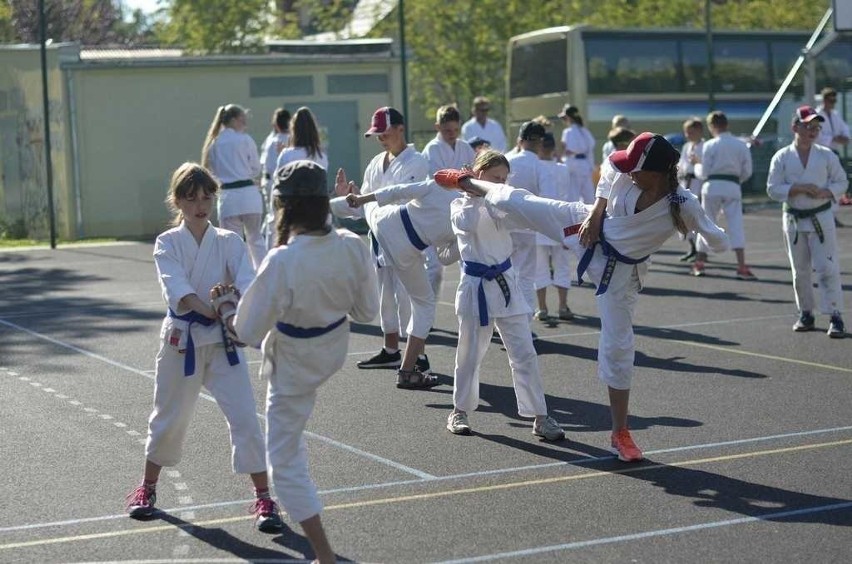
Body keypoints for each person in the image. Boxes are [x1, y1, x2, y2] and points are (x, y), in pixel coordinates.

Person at [434, 132, 728, 460]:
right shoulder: (623, 175)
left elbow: (717, 239)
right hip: (583, 227)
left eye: (636, 169)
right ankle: (460, 409)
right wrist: (596, 212)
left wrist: (703, 235)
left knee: (615, 348)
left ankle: (616, 431)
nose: (629, 172)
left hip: (618, 271)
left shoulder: (682, 204)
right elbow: (608, 177)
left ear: (656, 173)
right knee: (522, 202)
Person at [228, 160, 379, 563]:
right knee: (290, 444)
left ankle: (325, 555)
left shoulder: (282, 260)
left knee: (284, 462)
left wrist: (228, 309)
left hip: (294, 364)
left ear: (285, 207)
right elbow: (366, 312)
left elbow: (244, 330)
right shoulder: (351, 244)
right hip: (333, 347)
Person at [125, 162, 284, 533]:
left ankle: (263, 497)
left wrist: (233, 304)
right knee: (167, 419)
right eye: (192, 197)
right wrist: (214, 308)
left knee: (245, 418)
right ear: (177, 201)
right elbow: (177, 290)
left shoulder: (229, 240)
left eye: (207, 196)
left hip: (223, 344)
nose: (201, 204)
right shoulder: (167, 243)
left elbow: (246, 283)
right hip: (183, 341)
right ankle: (147, 489)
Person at [443, 150, 565, 440]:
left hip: (506, 286)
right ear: (479, 173)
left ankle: (540, 416)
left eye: (503, 179)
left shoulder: (501, 203)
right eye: (495, 178)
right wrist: (472, 189)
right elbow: (468, 224)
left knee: (524, 353)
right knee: (470, 355)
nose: (500, 183)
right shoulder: (459, 205)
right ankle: (459, 410)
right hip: (476, 289)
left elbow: (520, 215)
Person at [334, 172, 462, 389]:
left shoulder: (448, 196)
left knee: (367, 208)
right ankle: (407, 370)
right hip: (401, 241)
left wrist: (361, 199)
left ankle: (407, 369)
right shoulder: (462, 210)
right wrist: (458, 240)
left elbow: (395, 192)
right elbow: (444, 257)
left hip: (392, 230)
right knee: (424, 304)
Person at [348, 107, 431, 373]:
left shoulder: (417, 161)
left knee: (408, 298)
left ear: (400, 129)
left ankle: (417, 355)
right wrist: (351, 198)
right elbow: (365, 203)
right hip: (380, 240)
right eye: (377, 135)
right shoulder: (375, 163)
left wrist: (366, 202)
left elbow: (399, 199)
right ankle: (391, 349)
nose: (381, 139)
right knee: (385, 297)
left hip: (406, 240)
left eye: (385, 133)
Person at [766, 106, 847, 338]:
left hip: (820, 217)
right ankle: (806, 313)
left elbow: (841, 182)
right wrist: (798, 188)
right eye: (807, 125)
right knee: (799, 271)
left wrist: (826, 192)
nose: (812, 131)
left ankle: (835, 315)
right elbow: (772, 188)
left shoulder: (826, 155)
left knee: (827, 267)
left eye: (816, 127)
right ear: (795, 127)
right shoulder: (782, 156)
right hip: (793, 218)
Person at [201, 104, 266, 269]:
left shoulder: (214, 143)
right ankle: (262, 273)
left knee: (232, 241)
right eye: (243, 120)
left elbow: (212, 171)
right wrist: (245, 173)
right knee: (256, 239)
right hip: (249, 195)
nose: (245, 124)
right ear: (234, 120)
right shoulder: (245, 139)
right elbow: (256, 168)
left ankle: (237, 276)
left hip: (228, 197)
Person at [691, 111, 755, 279]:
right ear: (727, 124)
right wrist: (735, 180)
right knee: (736, 224)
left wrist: (697, 165)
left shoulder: (710, 145)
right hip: (732, 187)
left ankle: (699, 263)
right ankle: (741, 265)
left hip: (712, 187)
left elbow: (704, 172)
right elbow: (747, 171)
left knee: (706, 223)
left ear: (712, 126)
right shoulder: (740, 145)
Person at [421, 105, 476, 298]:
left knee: (469, 261)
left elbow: (473, 174)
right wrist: (463, 181)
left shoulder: (465, 147)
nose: (452, 134)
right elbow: (438, 182)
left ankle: (472, 309)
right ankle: (425, 316)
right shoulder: (431, 150)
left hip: (462, 211)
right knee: (434, 268)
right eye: (447, 130)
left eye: (455, 130)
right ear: (437, 127)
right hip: (438, 214)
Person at [507, 121, 550, 319]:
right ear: (540, 142)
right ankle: (523, 320)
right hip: (528, 226)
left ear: (520, 140)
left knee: (505, 274)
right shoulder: (541, 166)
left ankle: (505, 318)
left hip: (504, 225)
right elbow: (545, 198)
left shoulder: (507, 160)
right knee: (525, 276)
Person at [272, 107, 330, 248]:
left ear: (294, 129)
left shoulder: (286, 155)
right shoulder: (321, 156)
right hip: (317, 213)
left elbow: (278, 185)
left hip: (292, 214)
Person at [534, 132, 576, 322]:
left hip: (539, 222)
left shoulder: (536, 166)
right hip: (560, 221)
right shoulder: (563, 168)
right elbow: (570, 197)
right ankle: (562, 305)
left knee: (540, 266)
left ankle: (542, 307)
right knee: (562, 265)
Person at [815, 87, 851, 225]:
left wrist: (845, 137)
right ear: (824, 100)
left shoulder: (835, 115)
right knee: (823, 183)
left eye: (834, 100)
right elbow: (817, 136)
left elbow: (844, 129)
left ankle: (832, 214)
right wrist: (833, 139)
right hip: (821, 153)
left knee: (836, 183)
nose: (833, 103)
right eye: (831, 100)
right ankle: (824, 214)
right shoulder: (817, 114)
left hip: (834, 153)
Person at [259, 108, 291, 246]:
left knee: (272, 220)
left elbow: (264, 164)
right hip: (290, 185)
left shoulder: (272, 141)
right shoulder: (293, 140)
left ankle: (269, 252)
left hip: (272, 182)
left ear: (276, 125)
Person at [676, 117, 705, 262]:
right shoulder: (687, 146)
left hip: (698, 183)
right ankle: (692, 247)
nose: (688, 135)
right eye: (686, 132)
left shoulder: (705, 146)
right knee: (684, 216)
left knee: (698, 217)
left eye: (691, 132)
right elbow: (681, 164)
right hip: (685, 183)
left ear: (699, 131)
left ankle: (701, 250)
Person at [558, 104, 596, 204]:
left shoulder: (568, 132)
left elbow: (567, 150)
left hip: (572, 164)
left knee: (572, 196)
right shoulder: (584, 131)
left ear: (568, 118)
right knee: (589, 196)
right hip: (585, 164)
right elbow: (591, 146)